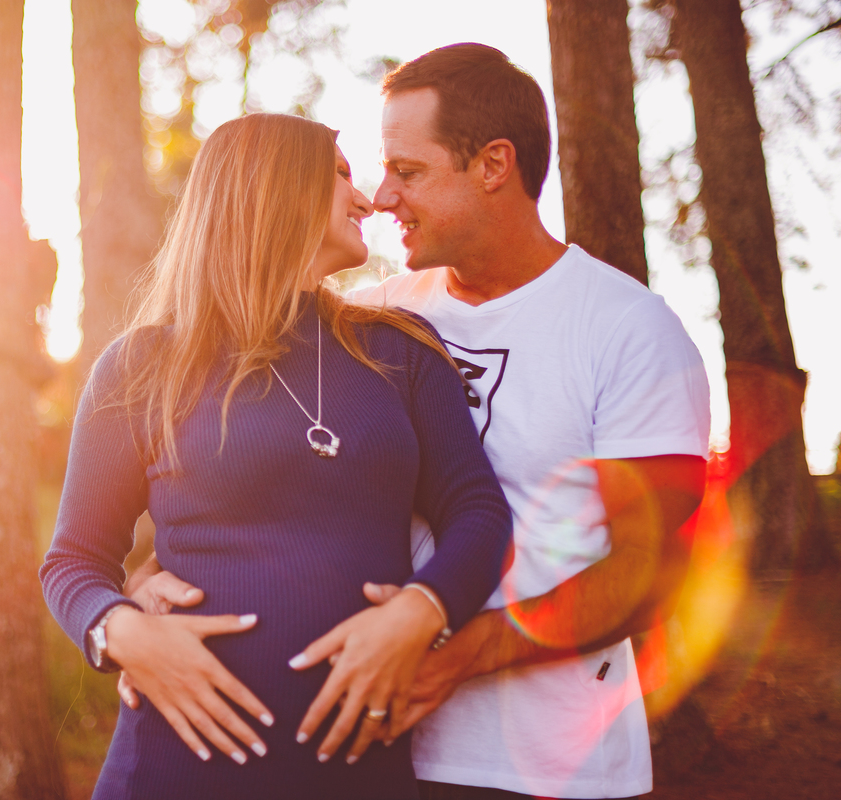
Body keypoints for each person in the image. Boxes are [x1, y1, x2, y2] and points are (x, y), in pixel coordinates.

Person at [125, 45, 711, 800]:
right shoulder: (372, 316)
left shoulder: (631, 330)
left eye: (408, 171)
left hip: (546, 767)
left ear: (494, 165)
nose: (382, 195)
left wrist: (451, 653)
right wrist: (150, 584)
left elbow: (650, 572)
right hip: (369, 749)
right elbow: (251, 480)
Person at [41, 113, 514, 800]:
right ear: (275, 188)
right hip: (170, 772)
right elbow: (74, 560)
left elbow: (476, 510)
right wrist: (122, 634)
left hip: (359, 775)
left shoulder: (401, 349)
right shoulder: (141, 366)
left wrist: (421, 612)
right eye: (343, 177)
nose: (366, 199)